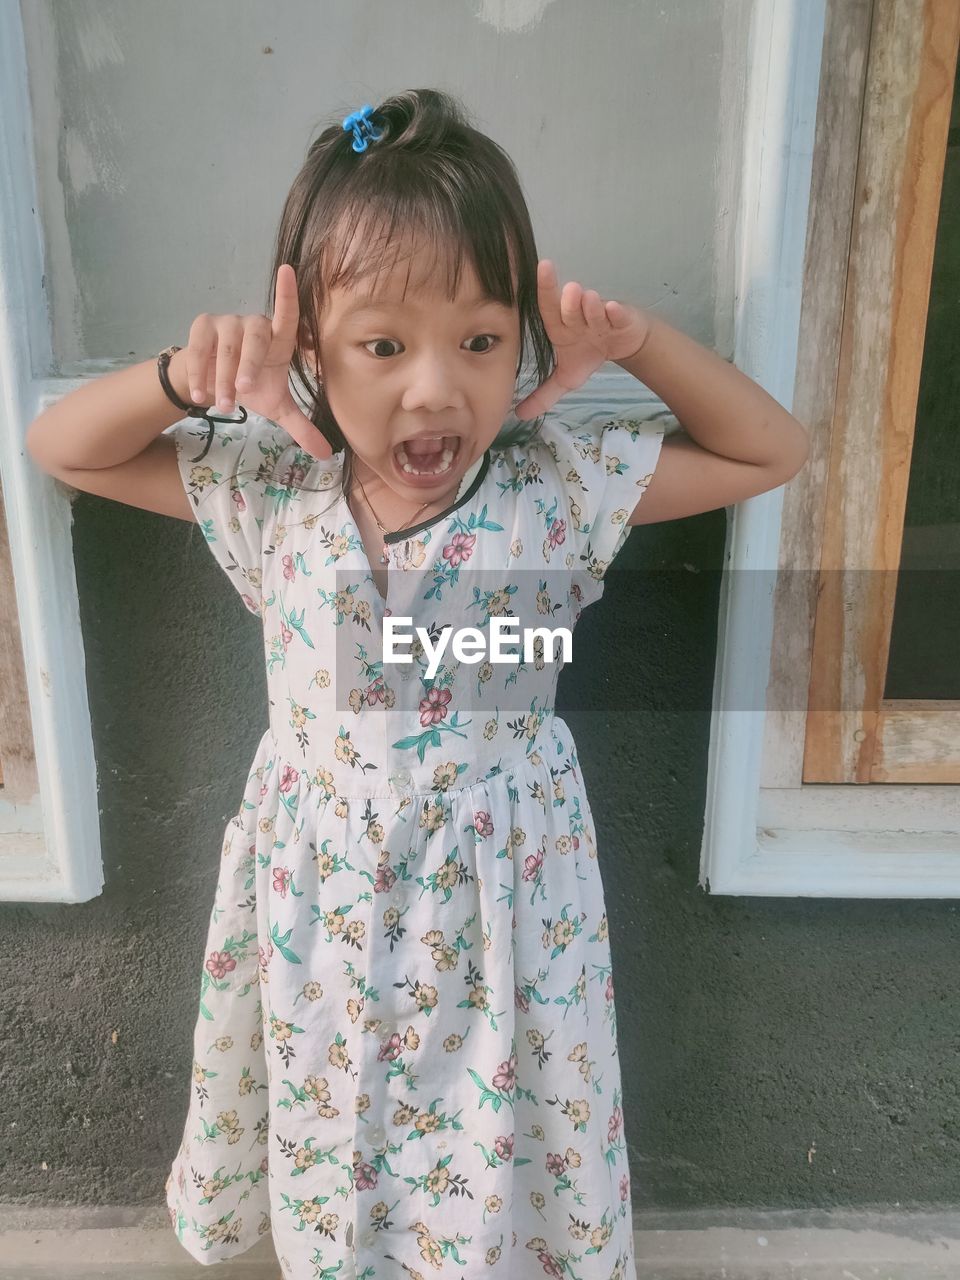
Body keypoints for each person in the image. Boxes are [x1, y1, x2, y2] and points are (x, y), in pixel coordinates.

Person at [26, 88, 808, 1280]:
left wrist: (637, 345)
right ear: (310, 349)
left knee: (493, 1160)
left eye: (481, 341)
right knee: (341, 1150)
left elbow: (772, 448)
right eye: (384, 345)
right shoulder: (271, 494)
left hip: (503, 909)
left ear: (521, 347)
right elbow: (63, 448)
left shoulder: (553, 493)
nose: (436, 388)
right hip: (321, 907)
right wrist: (191, 379)